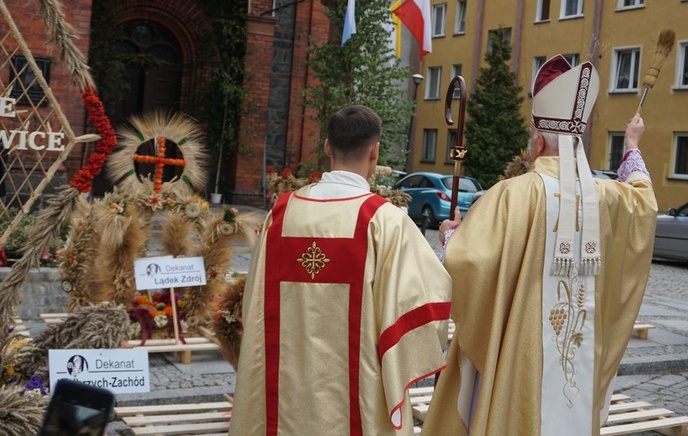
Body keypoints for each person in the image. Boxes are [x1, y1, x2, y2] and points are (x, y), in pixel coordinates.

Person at [423, 55, 657, 436]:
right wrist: (631, 146)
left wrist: (452, 236)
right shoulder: (608, 197)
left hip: (521, 355)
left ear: (539, 137)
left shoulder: (514, 194)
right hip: (581, 355)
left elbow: (469, 262)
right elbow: (644, 203)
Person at [229, 105, 452, 435]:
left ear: (327, 147)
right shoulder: (385, 221)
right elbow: (422, 300)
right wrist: (450, 245)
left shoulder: (281, 214)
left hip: (283, 397)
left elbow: (254, 305)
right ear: (375, 152)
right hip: (356, 399)